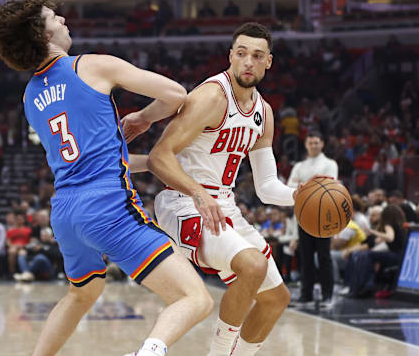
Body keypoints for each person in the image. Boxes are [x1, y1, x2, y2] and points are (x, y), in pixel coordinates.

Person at [0, 0, 213, 356]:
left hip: (66, 211)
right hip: (108, 208)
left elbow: (92, 159)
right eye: (53, 18)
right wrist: (142, 117)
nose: (62, 19)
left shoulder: (30, 96)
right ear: (42, 35)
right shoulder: (90, 66)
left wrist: (152, 163)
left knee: (82, 294)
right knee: (195, 299)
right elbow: (176, 94)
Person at [130, 23, 304, 356]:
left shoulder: (263, 113)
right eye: (241, 54)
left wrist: (299, 193)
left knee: (275, 299)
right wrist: (198, 192)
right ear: (230, 57)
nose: (247, 62)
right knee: (251, 266)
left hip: (222, 204)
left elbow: (267, 187)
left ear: (269, 62)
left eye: (256, 56)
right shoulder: (211, 96)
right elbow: (158, 157)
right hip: (183, 202)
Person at [287, 131, 338, 307]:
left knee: (324, 257)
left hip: (324, 217)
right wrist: (311, 184)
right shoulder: (299, 165)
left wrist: (304, 185)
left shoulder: (330, 164)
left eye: (316, 142)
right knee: (306, 257)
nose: (313, 145)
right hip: (303, 216)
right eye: (311, 143)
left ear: (322, 144)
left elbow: (329, 186)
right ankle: (306, 295)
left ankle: (327, 296)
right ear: (306, 145)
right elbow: (290, 188)